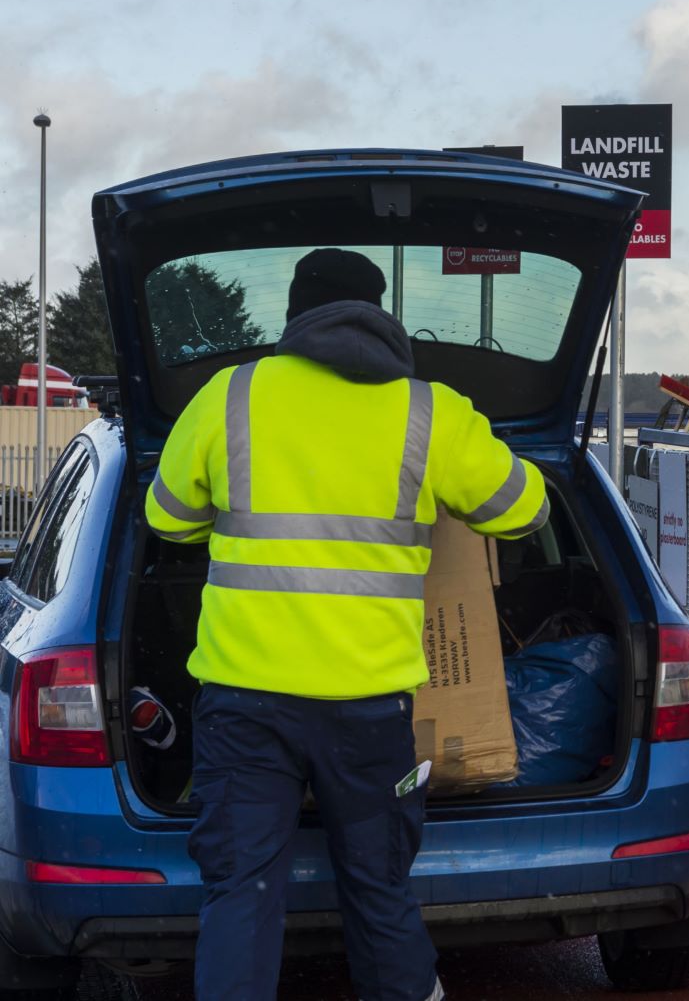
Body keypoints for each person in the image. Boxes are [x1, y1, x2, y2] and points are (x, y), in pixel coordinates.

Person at [145, 248, 550, 1001]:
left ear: (294, 313)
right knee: (378, 885)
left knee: (241, 891)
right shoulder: (431, 410)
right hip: (370, 708)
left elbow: (166, 517)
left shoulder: (232, 394)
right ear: (382, 310)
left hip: (244, 697)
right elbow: (522, 509)